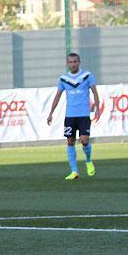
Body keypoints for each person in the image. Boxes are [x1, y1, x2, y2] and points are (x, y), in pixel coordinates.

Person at [46, 52, 100, 180]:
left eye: (75, 61)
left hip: (84, 114)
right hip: (70, 115)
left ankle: (88, 160)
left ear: (79, 62)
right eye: (70, 62)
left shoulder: (87, 76)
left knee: (84, 140)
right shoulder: (63, 79)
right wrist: (51, 113)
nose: (73, 64)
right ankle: (74, 171)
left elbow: (95, 92)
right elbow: (57, 96)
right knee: (70, 141)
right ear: (67, 63)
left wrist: (97, 109)